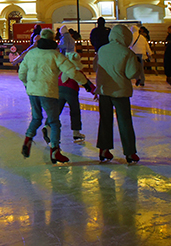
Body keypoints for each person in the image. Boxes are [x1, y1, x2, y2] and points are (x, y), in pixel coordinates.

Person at [19, 28, 94, 164]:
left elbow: (21, 73)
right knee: (54, 123)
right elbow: (71, 71)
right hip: (48, 92)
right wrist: (87, 84)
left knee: (36, 118)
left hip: (32, 92)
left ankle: (27, 139)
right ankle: (55, 151)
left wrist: (27, 85)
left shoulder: (31, 53)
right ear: (53, 39)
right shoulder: (55, 55)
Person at [95, 24, 142, 164]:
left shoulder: (102, 50)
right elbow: (131, 73)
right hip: (120, 92)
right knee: (125, 122)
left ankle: (104, 150)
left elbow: (95, 67)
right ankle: (130, 152)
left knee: (105, 121)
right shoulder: (127, 53)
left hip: (104, 91)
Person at [52, 51, 88, 144]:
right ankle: (76, 133)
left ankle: (48, 127)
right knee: (75, 112)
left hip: (59, 91)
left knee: (56, 111)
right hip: (71, 92)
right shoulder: (76, 71)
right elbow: (85, 81)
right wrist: (94, 91)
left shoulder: (62, 69)